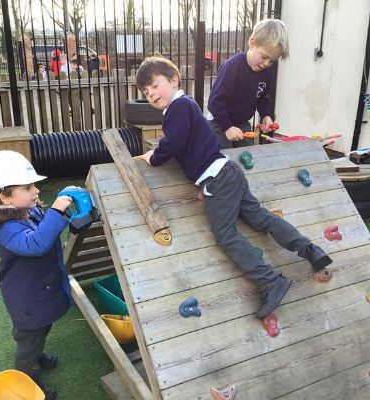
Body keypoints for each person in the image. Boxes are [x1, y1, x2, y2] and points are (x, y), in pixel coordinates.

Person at [135, 56, 333, 319]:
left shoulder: (177, 109)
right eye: (146, 93)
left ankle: (269, 280)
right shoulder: (189, 106)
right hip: (227, 172)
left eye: (154, 86)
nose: (151, 94)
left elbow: (174, 142)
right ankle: (311, 251)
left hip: (217, 178)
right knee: (261, 217)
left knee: (226, 234)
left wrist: (155, 156)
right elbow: (197, 144)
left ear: (174, 80)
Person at [0, 150, 73, 400]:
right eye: (28, 187)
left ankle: (36, 352)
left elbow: (45, 229)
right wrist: (56, 212)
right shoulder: (7, 226)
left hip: (39, 289)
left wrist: (61, 214)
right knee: (29, 341)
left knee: (42, 328)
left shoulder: (26, 210)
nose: (36, 190)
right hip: (26, 298)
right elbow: (35, 244)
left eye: (34, 185)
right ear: (5, 197)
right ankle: (28, 378)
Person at [207, 19, 289, 148]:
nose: (266, 63)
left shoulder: (266, 72)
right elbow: (215, 101)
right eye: (264, 57)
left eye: (271, 61)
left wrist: (266, 115)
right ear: (252, 43)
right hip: (219, 121)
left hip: (242, 123)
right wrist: (227, 127)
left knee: (248, 154)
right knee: (224, 154)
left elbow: (263, 97)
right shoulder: (232, 67)